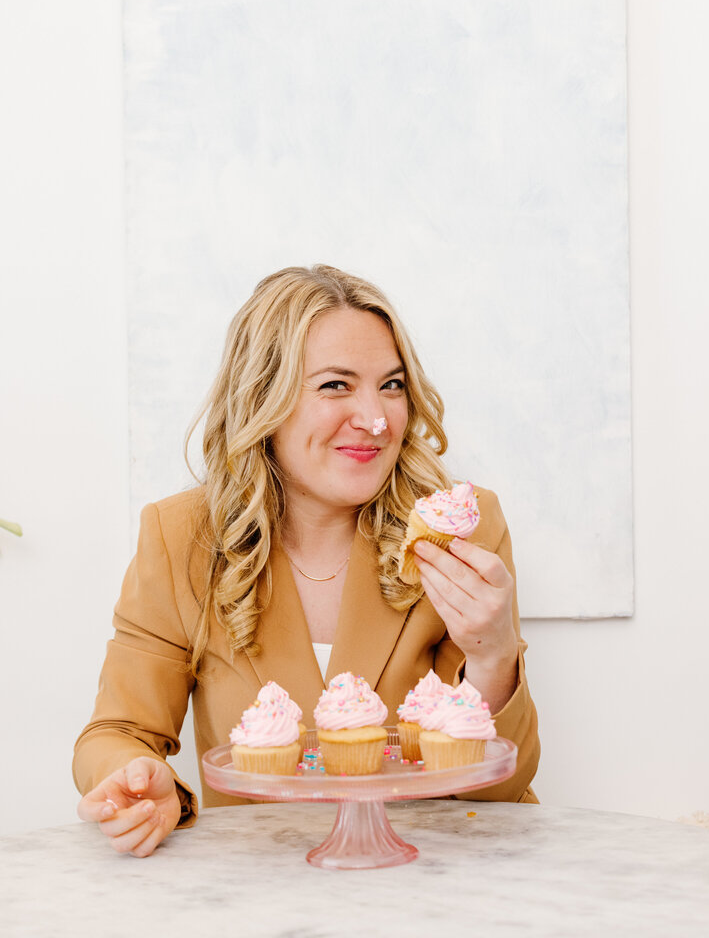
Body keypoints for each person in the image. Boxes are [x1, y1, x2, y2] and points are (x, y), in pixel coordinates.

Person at [74, 264, 540, 857]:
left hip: (425, 885)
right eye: (335, 386)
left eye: (392, 385)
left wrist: (494, 655)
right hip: (258, 891)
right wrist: (138, 779)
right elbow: (117, 732)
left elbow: (507, 790)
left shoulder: (460, 530)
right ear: (262, 399)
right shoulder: (181, 537)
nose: (376, 419)